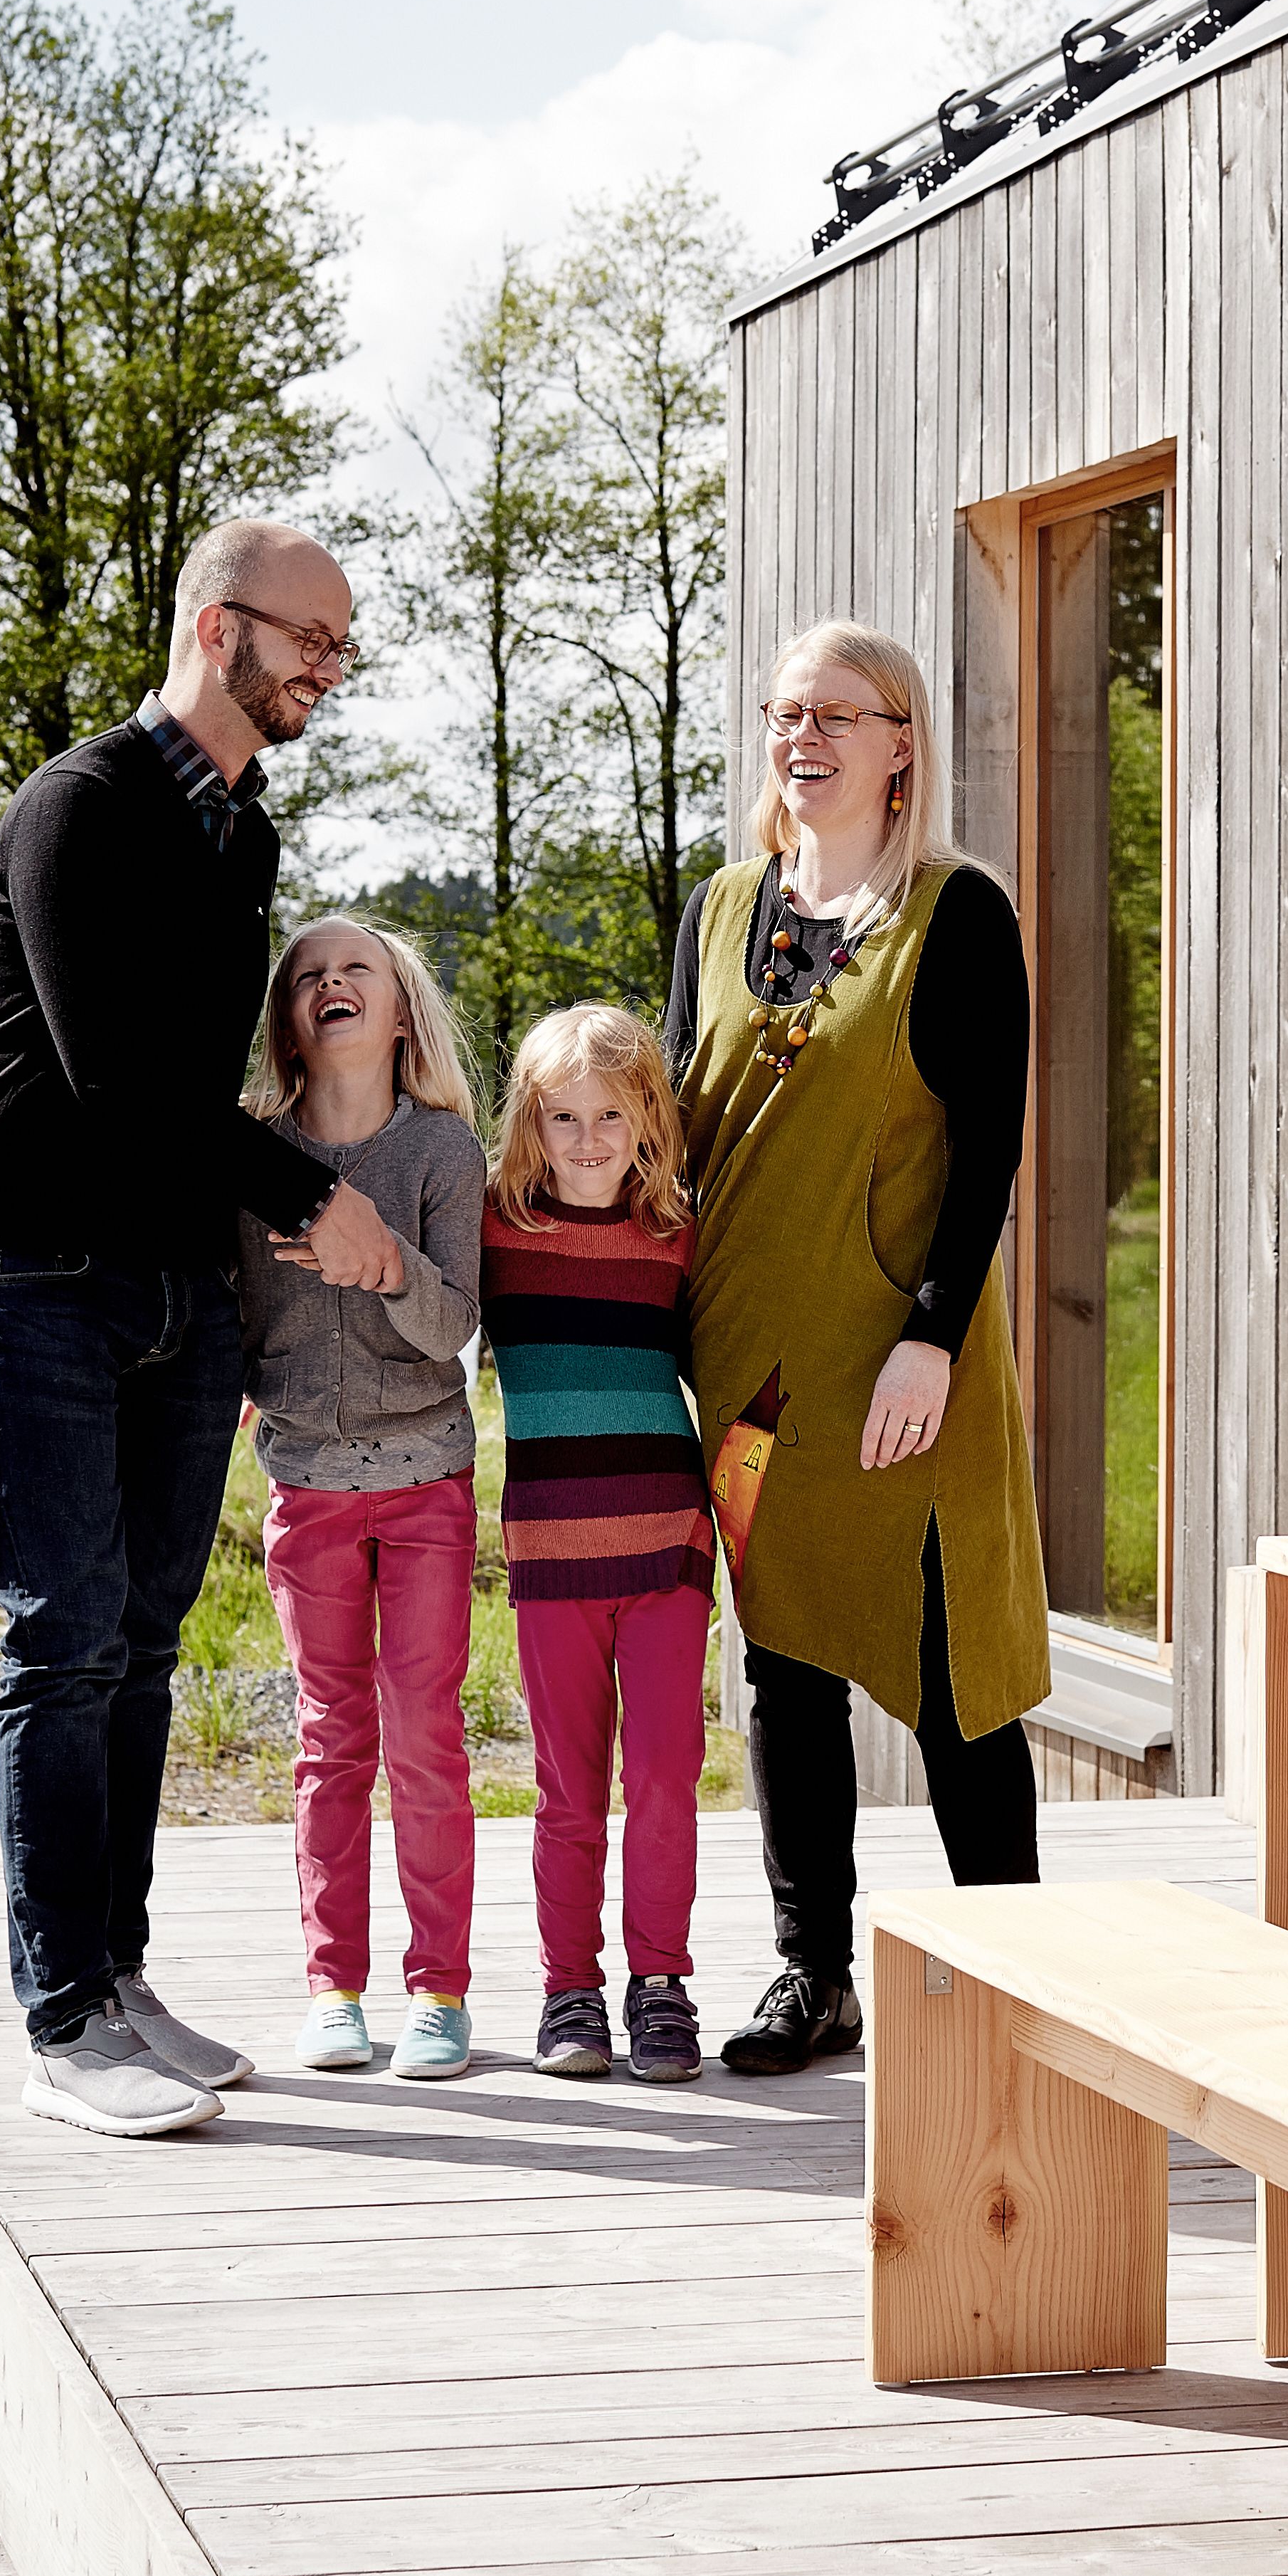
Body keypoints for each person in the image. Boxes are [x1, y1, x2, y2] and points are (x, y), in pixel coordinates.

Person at [0, 519, 408, 2139]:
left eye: (344, 647)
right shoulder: (83, 807)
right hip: (41, 1273)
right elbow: (123, 1082)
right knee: (61, 1639)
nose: (330, 672)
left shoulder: (240, 830)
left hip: (177, 1290)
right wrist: (310, 1197)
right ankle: (60, 2014)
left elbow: (200, 1097)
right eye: (314, 643)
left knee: (140, 1641)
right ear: (222, 629)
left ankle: (120, 1974)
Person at [667, 617, 1048, 2077]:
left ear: (902, 741)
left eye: (836, 709)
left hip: (900, 1364)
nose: (801, 733)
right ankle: (811, 1970)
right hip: (748, 1374)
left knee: (952, 1659)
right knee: (784, 1660)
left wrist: (933, 1336)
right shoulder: (721, 909)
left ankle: (1020, 1979)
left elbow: (988, 1154)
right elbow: (674, 1137)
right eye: (782, 709)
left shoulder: (956, 913)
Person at [238, 918, 487, 2083]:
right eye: (307, 976)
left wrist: (384, 1259)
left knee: (427, 1740)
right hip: (308, 1494)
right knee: (330, 1741)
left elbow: (453, 1326)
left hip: (428, 1483)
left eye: (358, 971)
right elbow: (235, 1330)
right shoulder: (250, 1154)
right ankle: (334, 1985)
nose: (331, 983)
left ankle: (439, 1989)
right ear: (291, 1020)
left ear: (401, 1012)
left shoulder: (441, 1153)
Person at [483, 1004, 716, 2086]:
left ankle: (659, 1980)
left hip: (668, 1546)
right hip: (552, 1553)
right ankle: (567, 1984)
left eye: (609, 1114)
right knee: (568, 1789)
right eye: (561, 1115)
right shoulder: (493, 1231)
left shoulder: (677, 1230)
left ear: (646, 1119)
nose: (586, 1138)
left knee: (666, 1777)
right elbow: (416, 1326)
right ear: (528, 1123)